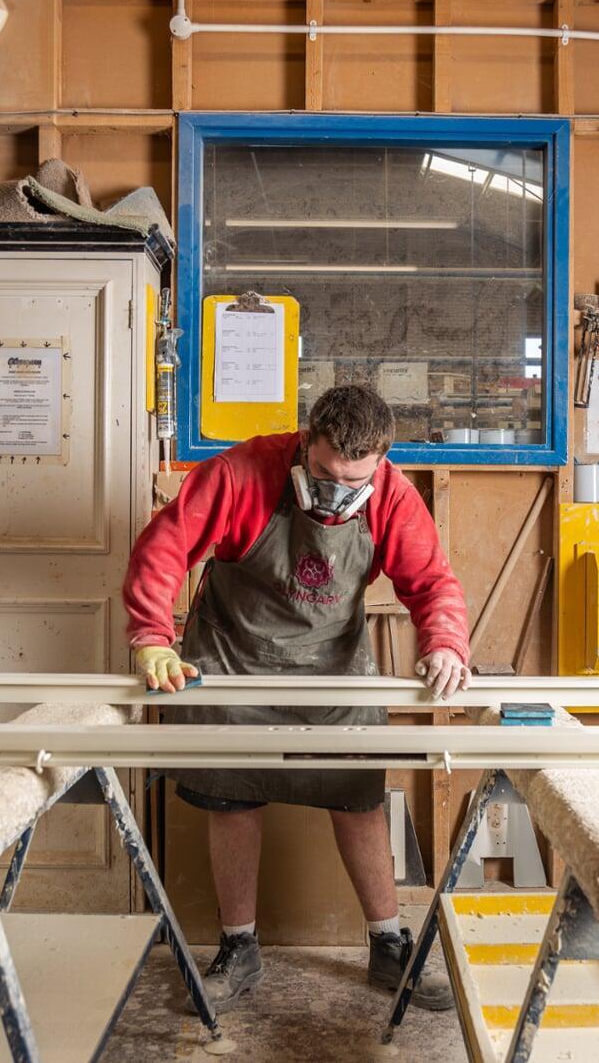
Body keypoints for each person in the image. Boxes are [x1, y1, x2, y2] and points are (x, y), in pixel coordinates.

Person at [123, 385, 469, 1014]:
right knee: (231, 793)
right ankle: (238, 946)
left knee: (358, 794)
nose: (337, 494)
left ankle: (388, 944)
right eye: (326, 475)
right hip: (235, 654)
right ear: (306, 442)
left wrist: (445, 643)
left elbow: (432, 581)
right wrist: (152, 638)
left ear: (381, 462)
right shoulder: (238, 472)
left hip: (332, 664)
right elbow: (164, 550)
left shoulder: (392, 494)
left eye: (354, 481)